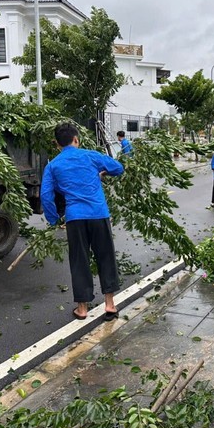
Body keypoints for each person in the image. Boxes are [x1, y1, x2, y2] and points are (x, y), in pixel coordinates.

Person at [41, 122, 124, 321]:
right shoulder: (90, 155)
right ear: (76, 139)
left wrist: (54, 219)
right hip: (98, 214)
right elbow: (118, 168)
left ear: (57, 144)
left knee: (80, 261)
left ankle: (82, 309)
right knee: (106, 257)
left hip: (75, 218)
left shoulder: (53, 165)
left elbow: (45, 196)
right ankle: (110, 305)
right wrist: (102, 173)